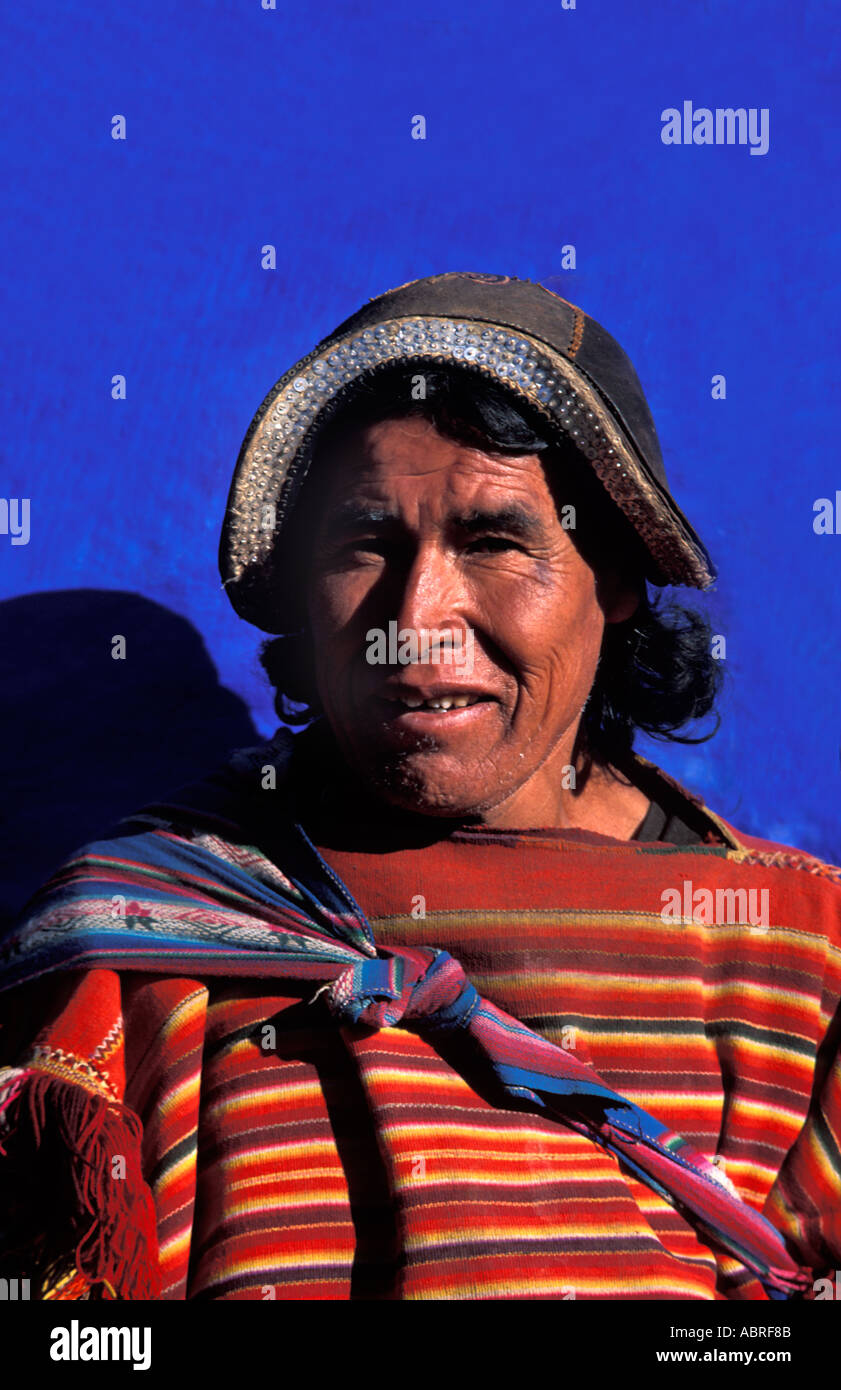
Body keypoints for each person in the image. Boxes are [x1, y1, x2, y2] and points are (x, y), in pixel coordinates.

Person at [1, 272, 838, 1302]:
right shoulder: (137, 939)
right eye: (363, 543)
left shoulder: (799, 957)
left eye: (492, 541)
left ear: (616, 576)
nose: (419, 614)